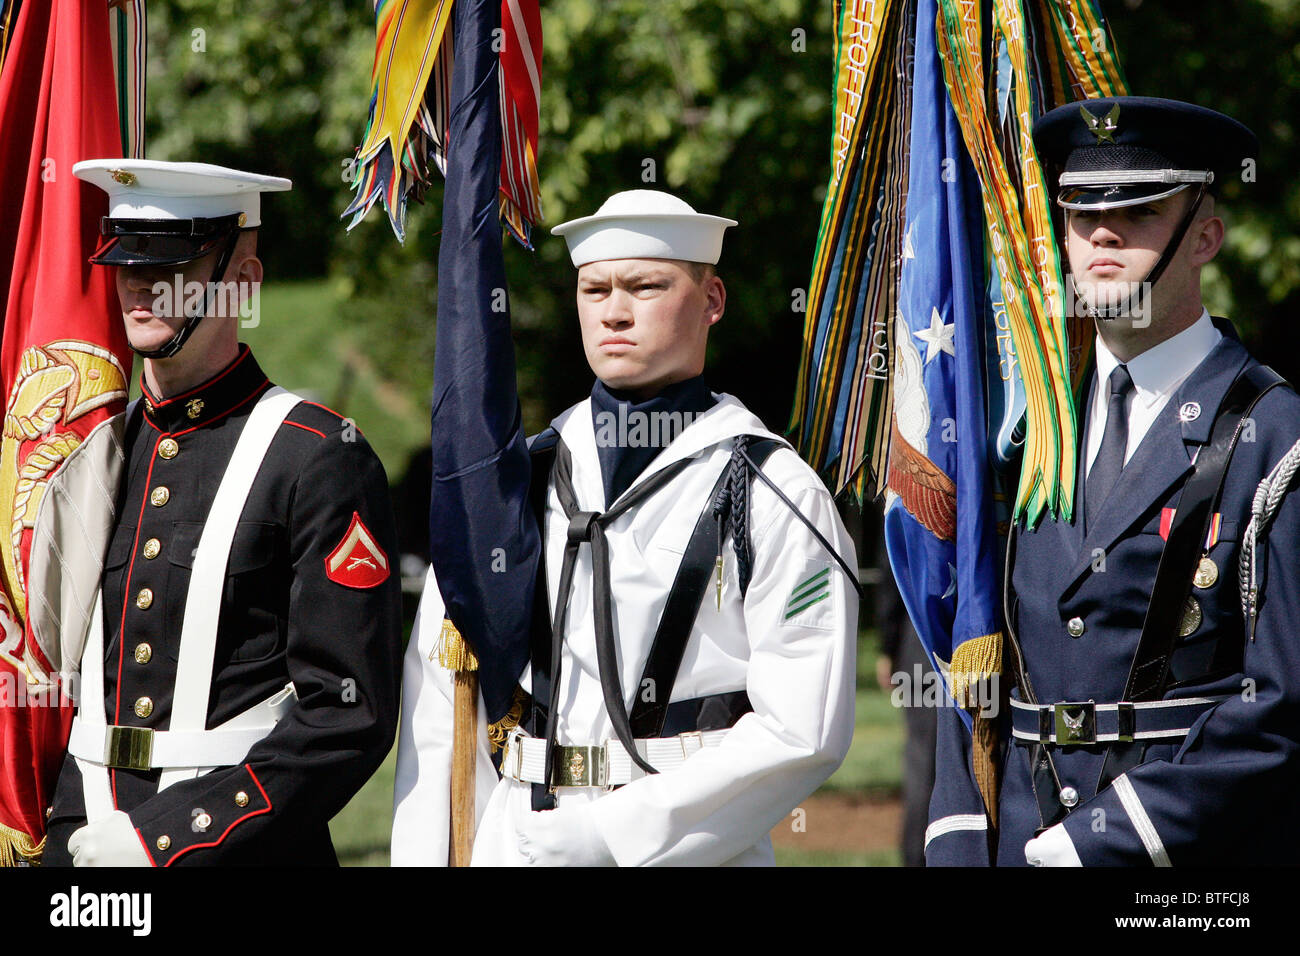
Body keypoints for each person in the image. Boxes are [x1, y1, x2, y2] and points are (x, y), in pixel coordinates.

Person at [392, 190, 859, 866]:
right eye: (595, 289)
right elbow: (441, 708)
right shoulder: (519, 480)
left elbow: (803, 727)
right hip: (516, 842)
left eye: (645, 286)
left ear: (713, 300)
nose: (614, 311)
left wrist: (614, 835)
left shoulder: (772, 491)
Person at [926, 96, 1300, 866]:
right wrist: (961, 838)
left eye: (1140, 212)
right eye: (1080, 213)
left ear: (1204, 238)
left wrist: (1105, 840)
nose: (1102, 232)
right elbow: (972, 647)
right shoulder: (1027, 425)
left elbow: (1283, 703)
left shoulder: (1273, 432)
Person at [42, 160, 403, 866]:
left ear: (242, 276)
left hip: (240, 849)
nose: (141, 284)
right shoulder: (94, 450)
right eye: (124, 261)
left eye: (173, 262)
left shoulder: (317, 457)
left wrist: (166, 839)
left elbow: (346, 717)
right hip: (79, 839)